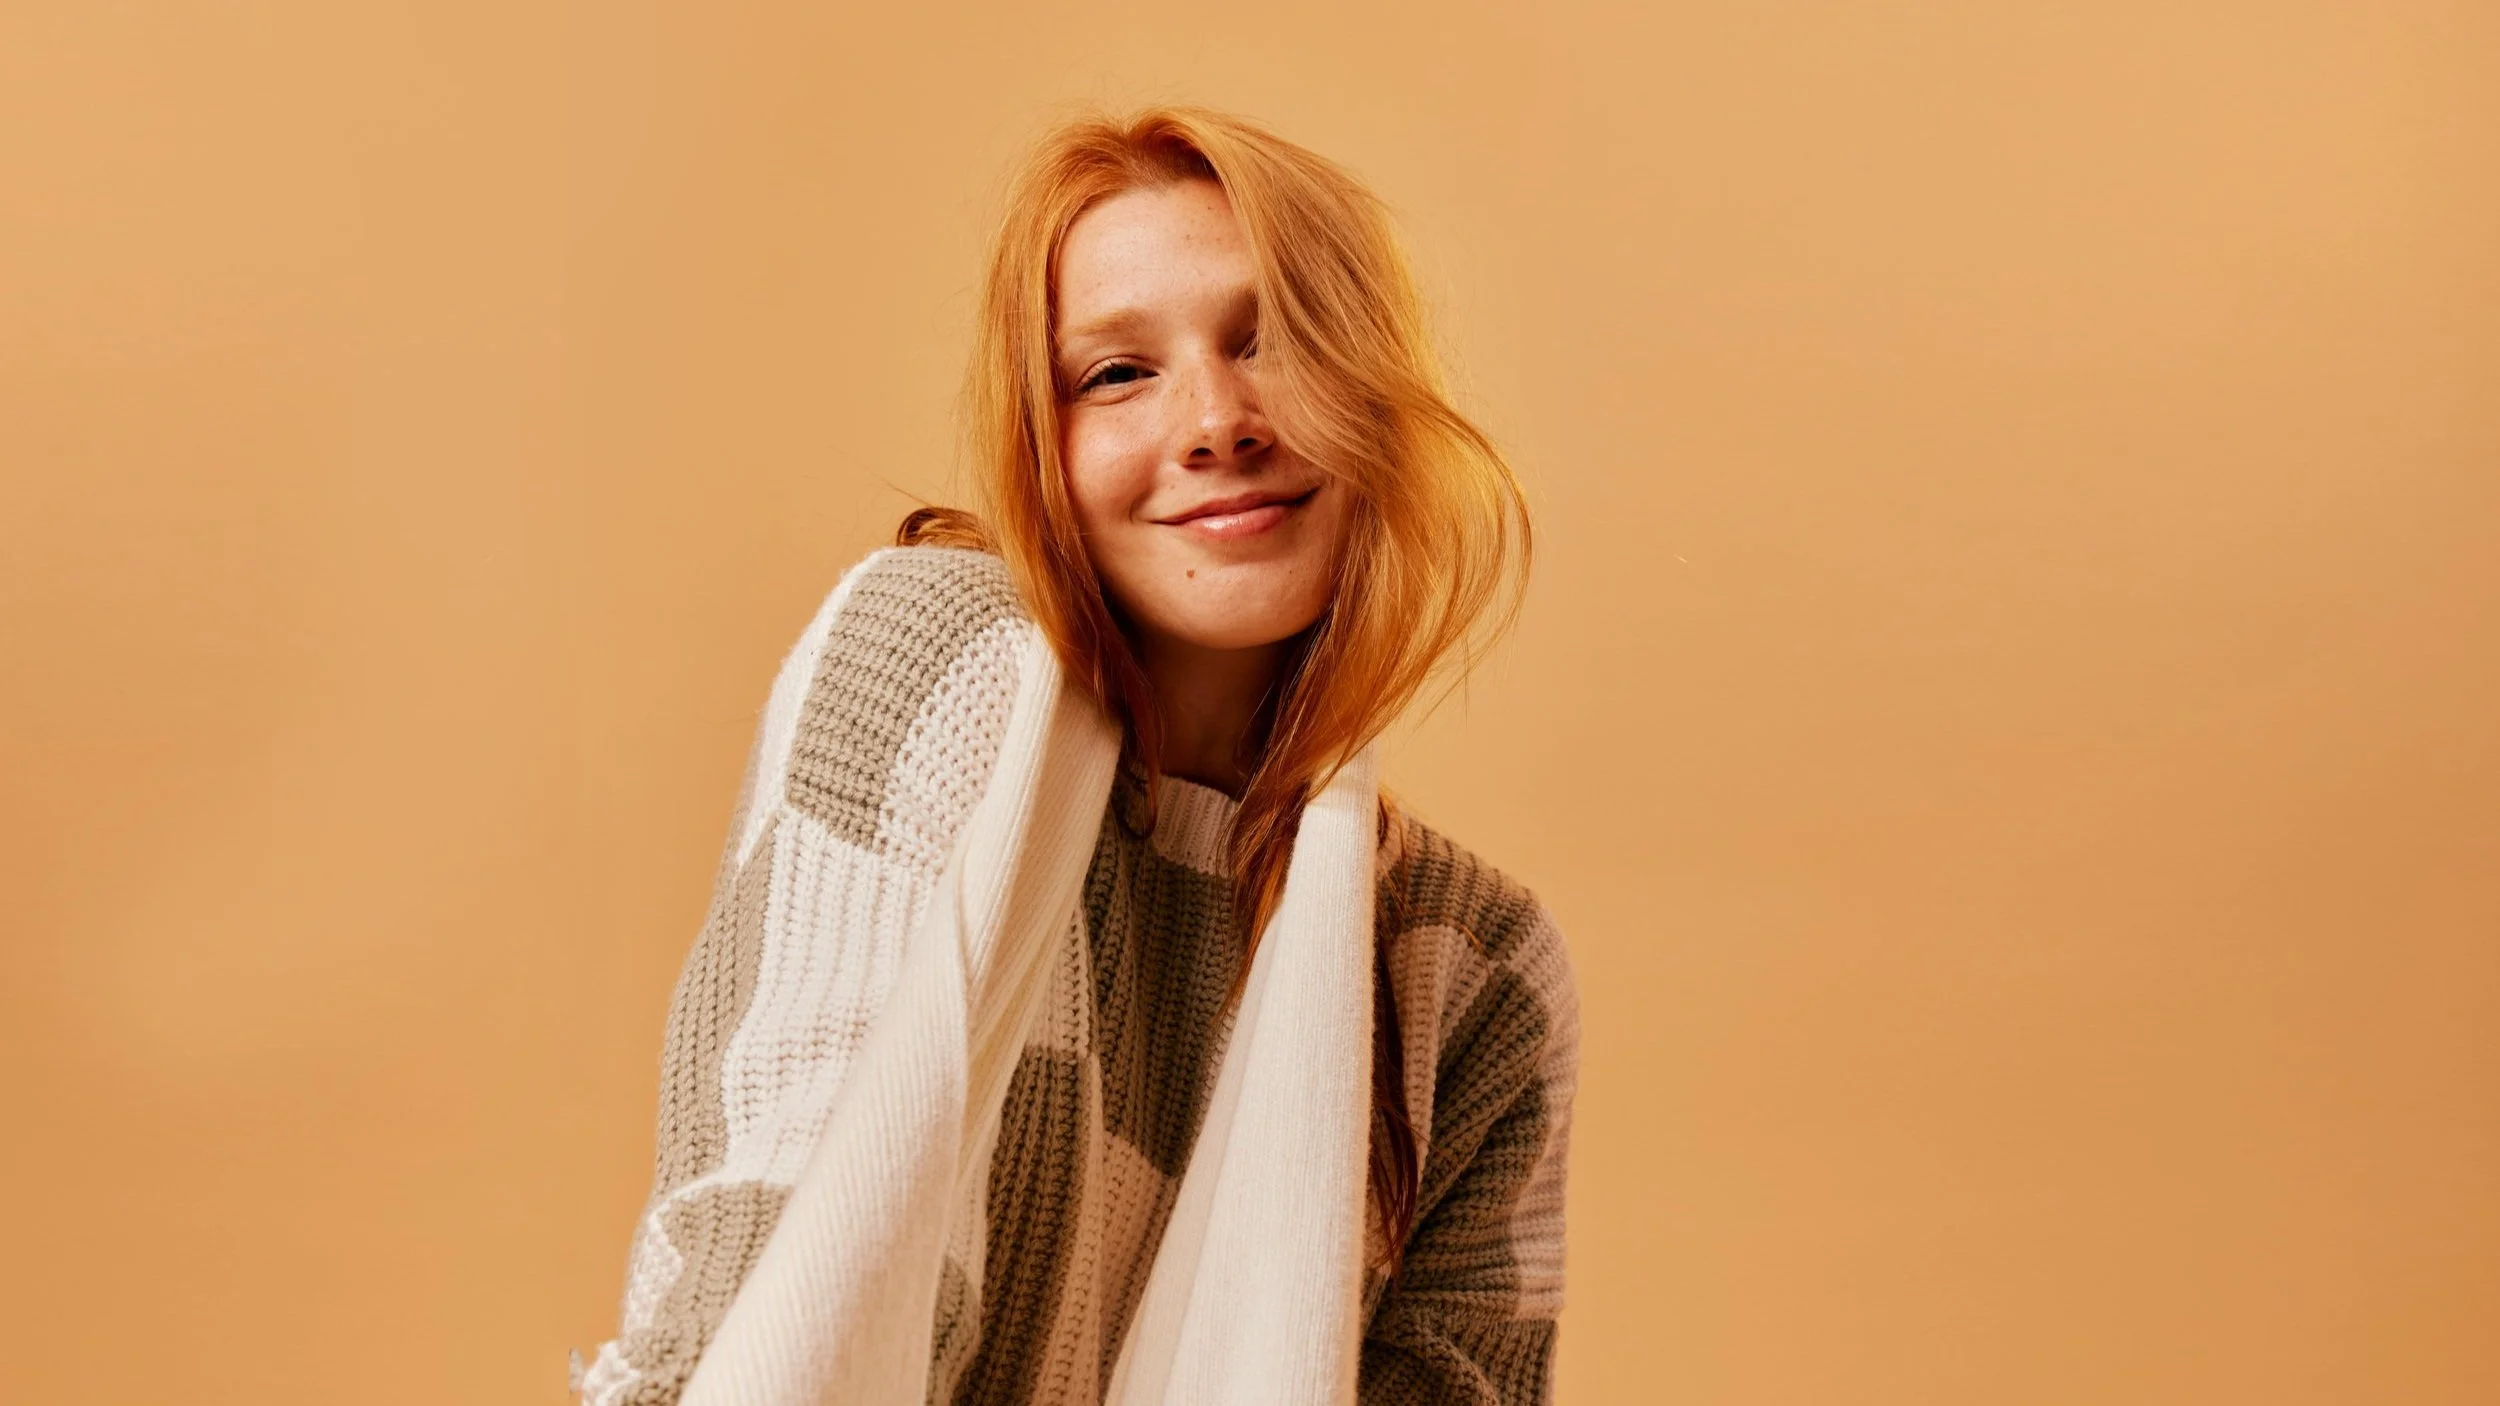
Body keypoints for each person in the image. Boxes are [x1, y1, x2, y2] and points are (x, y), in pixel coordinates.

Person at [574, 106, 1580, 1406]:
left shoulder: (1475, 967)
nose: (1216, 421)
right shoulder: (934, 661)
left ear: (1376, 395)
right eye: (1115, 374)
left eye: (1273, 342)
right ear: (1043, 447)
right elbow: (788, 1235)